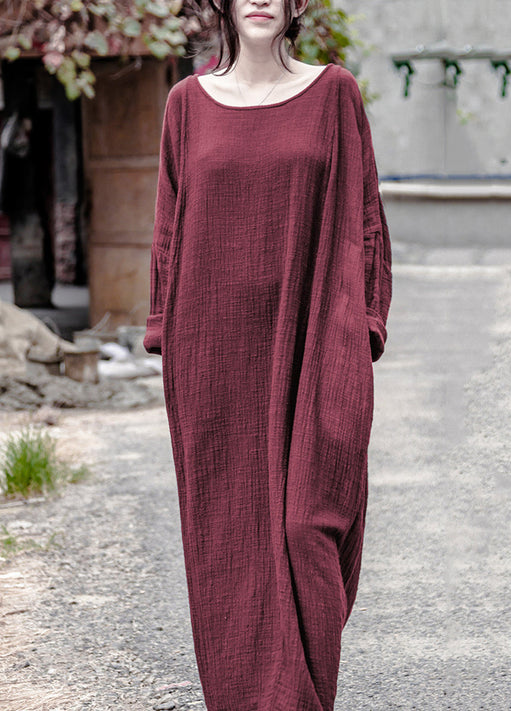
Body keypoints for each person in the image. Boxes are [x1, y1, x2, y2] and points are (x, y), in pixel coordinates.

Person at [143, 1, 393, 709]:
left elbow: (365, 216)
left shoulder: (333, 93)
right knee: (228, 536)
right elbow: (169, 228)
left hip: (318, 339)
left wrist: (365, 320)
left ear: (294, 5)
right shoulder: (186, 104)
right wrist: (162, 327)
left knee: (309, 523)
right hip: (213, 352)